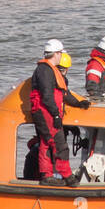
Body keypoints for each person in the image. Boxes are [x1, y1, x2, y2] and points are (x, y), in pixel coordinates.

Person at [29, 39, 91, 185]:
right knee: (59, 145)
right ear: (56, 54)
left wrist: (78, 103)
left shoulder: (51, 70)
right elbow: (47, 95)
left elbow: (63, 93)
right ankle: (67, 176)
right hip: (46, 112)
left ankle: (46, 175)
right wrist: (56, 114)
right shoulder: (45, 70)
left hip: (48, 111)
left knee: (46, 143)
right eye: (60, 54)